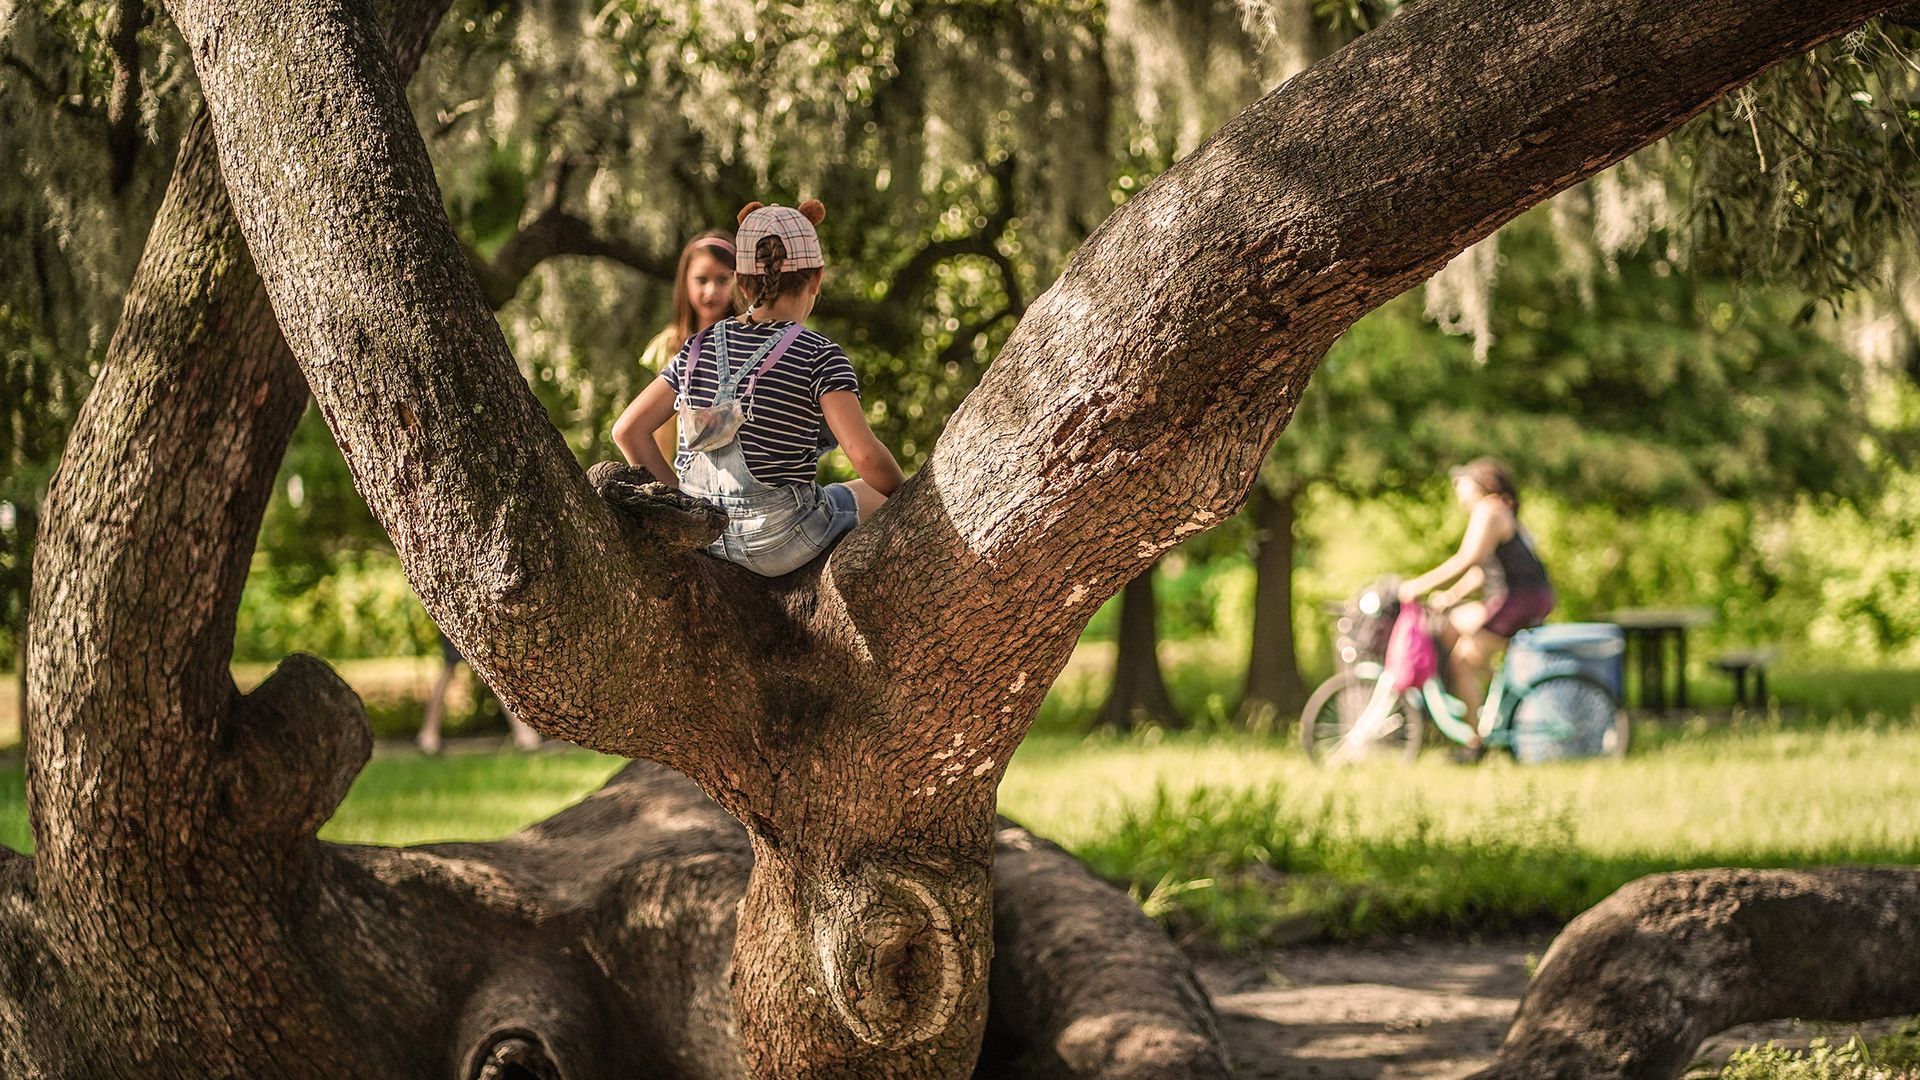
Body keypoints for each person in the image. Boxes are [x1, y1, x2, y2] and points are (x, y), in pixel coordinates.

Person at [610, 199, 905, 576]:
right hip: (781, 540)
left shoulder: (695, 348)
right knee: (870, 490)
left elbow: (627, 431)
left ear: (742, 284)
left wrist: (682, 509)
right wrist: (907, 494)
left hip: (707, 536)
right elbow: (865, 456)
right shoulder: (820, 354)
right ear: (817, 278)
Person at [1397, 458, 1555, 758]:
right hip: (1523, 598)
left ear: (1480, 484)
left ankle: (1475, 744)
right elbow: (1483, 569)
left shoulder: (1489, 509)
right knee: (1453, 624)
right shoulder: (1501, 510)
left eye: (1462, 484)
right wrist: (1451, 596)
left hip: (1518, 601)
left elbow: (1467, 558)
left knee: (1462, 663)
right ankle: (1494, 693)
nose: (1458, 491)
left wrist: (1417, 585)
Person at [636, 229, 740, 462]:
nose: (711, 291)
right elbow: (661, 422)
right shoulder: (670, 344)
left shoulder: (747, 341)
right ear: (685, 282)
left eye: (723, 280)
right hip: (689, 471)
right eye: (701, 280)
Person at [417, 630, 541, 754]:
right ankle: (428, 732)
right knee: (456, 667)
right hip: (459, 619)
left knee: (491, 669)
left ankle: (523, 731)